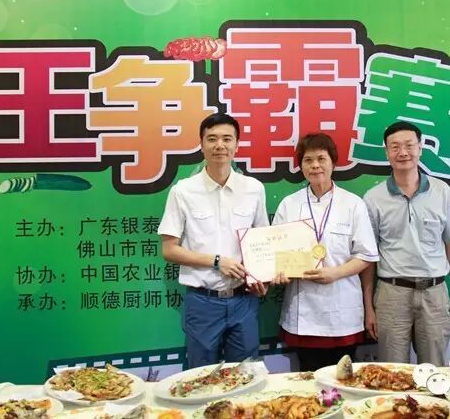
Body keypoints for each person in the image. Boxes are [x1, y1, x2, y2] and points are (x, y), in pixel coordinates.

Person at [159, 113, 269, 368]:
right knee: (201, 376)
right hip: (202, 302)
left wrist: (262, 279)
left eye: (227, 139)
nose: (220, 145)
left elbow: (262, 242)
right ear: (201, 144)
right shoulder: (183, 191)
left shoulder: (254, 188)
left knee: (245, 374)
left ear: (237, 145)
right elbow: (169, 249)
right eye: (212, 139)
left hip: (244, 300)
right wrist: (217, 261)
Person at [361, 121, 450, 366]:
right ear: (386, 152)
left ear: (420, 148)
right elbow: (368, 258)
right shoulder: (373, 199)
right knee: (393, 371)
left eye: (409, 145)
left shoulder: (442, 191)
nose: (403, 152)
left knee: (434, 371)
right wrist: (369, 308)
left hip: (434, 293)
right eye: (395, 147)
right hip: (391, 294)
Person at [272, 133, 379, 371]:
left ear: (333, 163)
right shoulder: (289, 205)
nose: (315, 165)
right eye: (308, 160)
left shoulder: (353, 204)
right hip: (303, 313)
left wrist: (335, 273)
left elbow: (366, 256)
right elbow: (274, 253)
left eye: (321, 158)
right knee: (308, 381)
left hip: (342, 311)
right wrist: (278, 272)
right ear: (301, 166)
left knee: (342, 378)